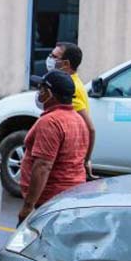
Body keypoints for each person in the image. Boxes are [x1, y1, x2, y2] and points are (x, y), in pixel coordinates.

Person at [18, 70, 90, 223]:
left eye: (41, 89)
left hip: (50, 203)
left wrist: (27, 207)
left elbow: (43, 166)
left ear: (49, 93)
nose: (39, 93)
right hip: (71, 197)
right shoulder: (77, 119)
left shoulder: (50, 122)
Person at [47, 42, 97, 179]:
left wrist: (86, 160)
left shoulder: (69, 88)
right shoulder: (70, 81)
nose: (50, 59)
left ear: (66, 64)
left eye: (54, 57)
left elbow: (90, 128)